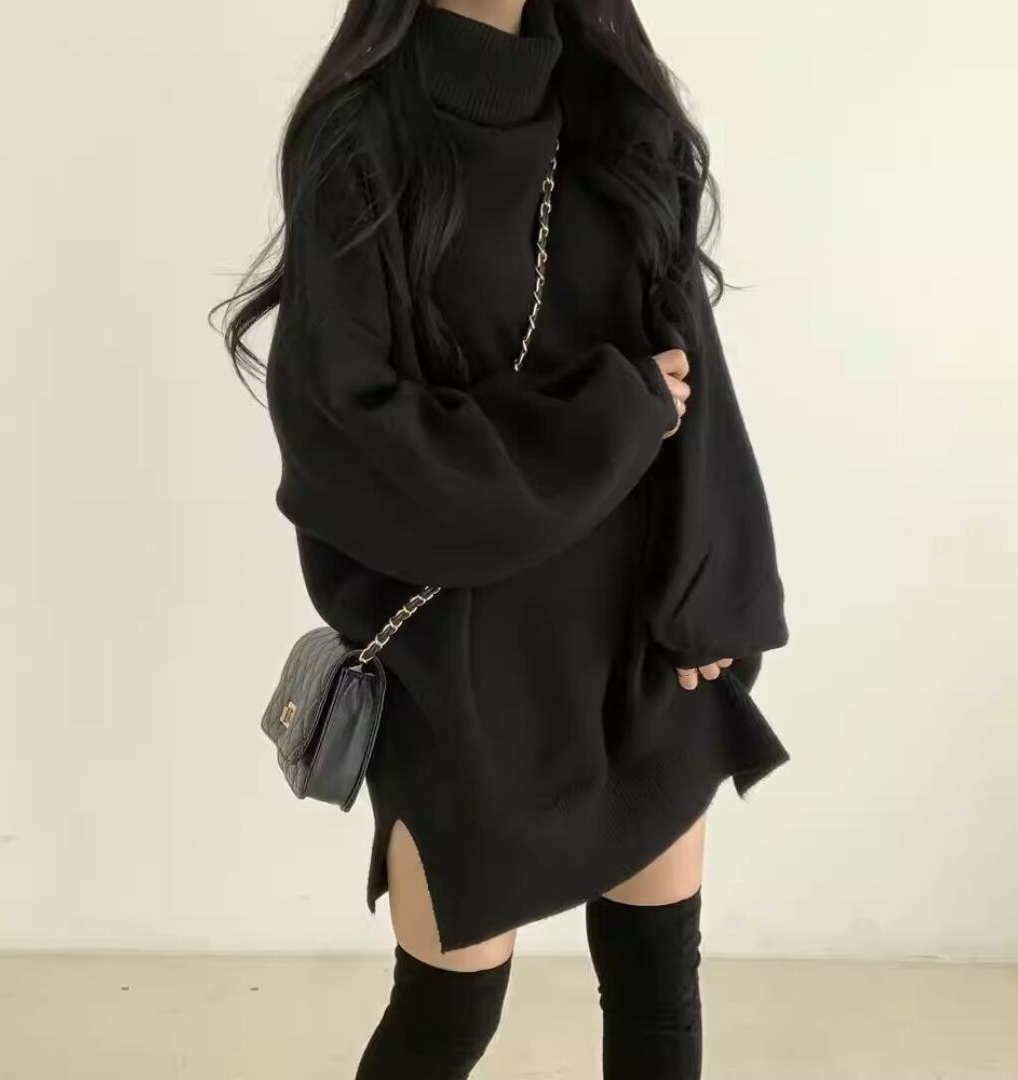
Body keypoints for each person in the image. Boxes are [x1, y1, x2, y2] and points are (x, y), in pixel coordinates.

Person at [217, 1, 790, 1076]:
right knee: (449, 1017)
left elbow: (696, 375)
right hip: (466, 659)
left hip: (638, 639)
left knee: (658, 989)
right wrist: (606, 417)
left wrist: (714, 598)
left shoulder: (619, 109)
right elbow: (349, 440)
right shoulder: (360, 141)